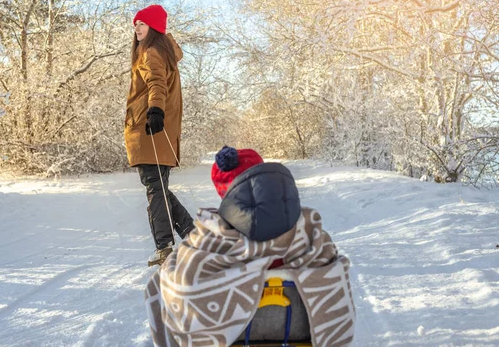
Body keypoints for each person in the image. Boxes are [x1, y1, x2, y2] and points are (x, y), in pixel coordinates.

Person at [145, 146, 356, 347]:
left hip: (231, 336)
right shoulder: (308, 228)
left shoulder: (207, 238)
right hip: (300, 329)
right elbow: (331, 265)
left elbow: (174, 276)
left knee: (165, 279)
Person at [124, 4, 195, 267]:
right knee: (159, 188)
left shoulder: (150, 53)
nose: (137, 28)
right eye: (136, 24)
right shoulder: (164, 53)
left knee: (155, 188)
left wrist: (155, 111)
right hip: (159, 130)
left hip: (149, 130)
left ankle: (164, 246)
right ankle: (192, 235)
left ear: (153, 27)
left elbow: (156, 83)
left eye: (142, 24)